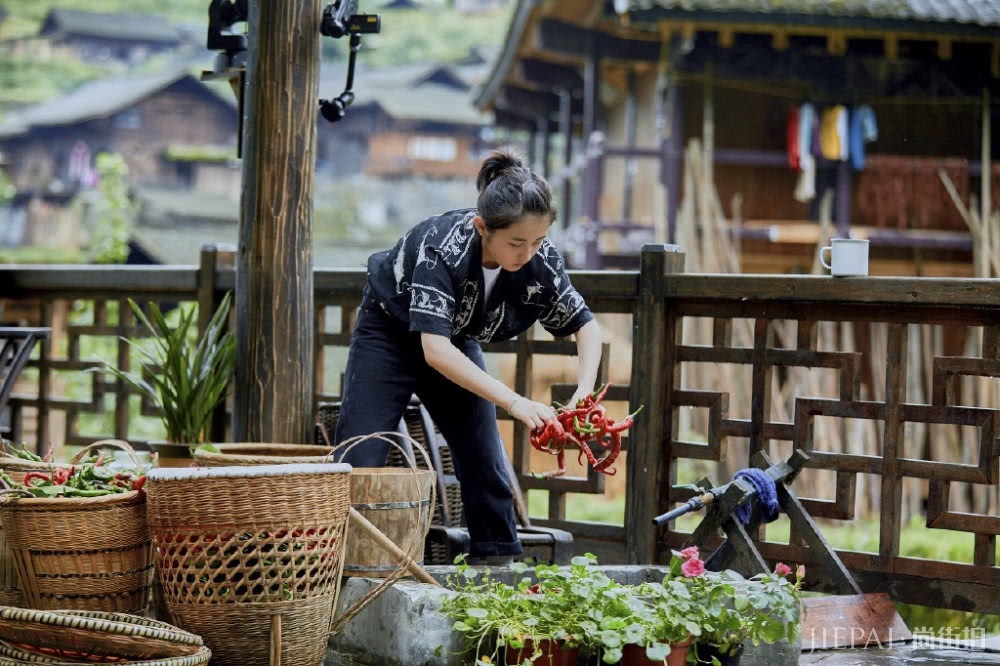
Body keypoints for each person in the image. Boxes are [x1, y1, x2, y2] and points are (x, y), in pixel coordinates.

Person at [334, 146, 603, 562]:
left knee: (486, 461)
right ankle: (339, 571)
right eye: (517, 242)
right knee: (359, 458)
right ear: (482, 227)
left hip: (453, 337)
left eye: (538, 240)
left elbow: (586, 327)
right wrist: (514, 401)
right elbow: (434, 351)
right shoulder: (443, 247)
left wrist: (584, 391)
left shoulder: (541, 259)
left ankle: (497, 568)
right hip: (390, 335)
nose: (528, 253)